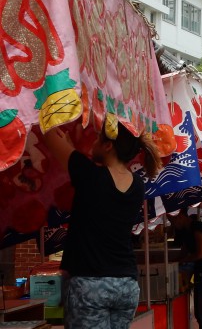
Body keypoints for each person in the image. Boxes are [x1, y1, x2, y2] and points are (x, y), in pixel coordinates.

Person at [43, 119, 162, 329]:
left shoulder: (89, 175)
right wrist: (72, 150)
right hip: (126, 284)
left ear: (108, 146)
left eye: (98, 137)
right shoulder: (137, 185)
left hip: (90, 284)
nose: (94, 141)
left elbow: (48, 132)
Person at [168, 208, 202, 329]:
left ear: (180, 216)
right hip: (200, 277)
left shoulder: (197, 227)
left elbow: (200, 254)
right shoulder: (185, 232)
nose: (173, 224)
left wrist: (182, 261)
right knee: (199, 315)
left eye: (173, 221)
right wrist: (173, 262)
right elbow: (184, 251)